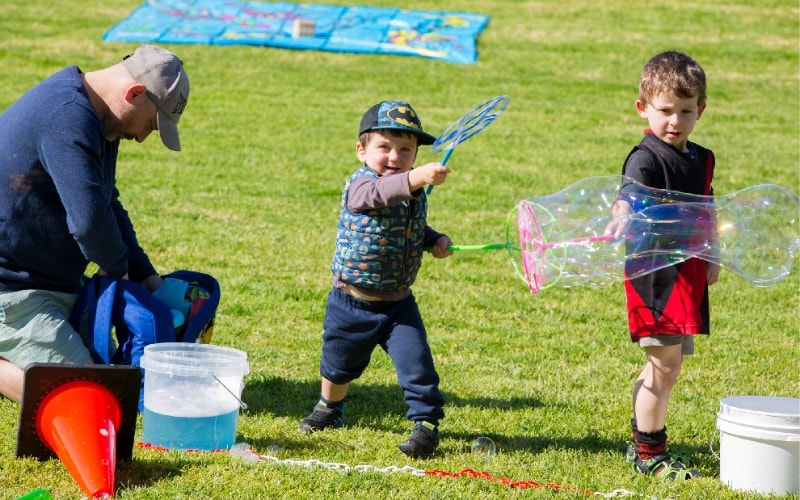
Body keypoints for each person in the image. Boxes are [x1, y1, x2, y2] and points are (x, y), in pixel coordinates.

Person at [0, 45, 190, 402]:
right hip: (12, 292)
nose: (142, 137)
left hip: (55, 285)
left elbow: (106, 204)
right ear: (135, 93)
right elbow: (88, 224)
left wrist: (146, 275)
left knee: (113, 382)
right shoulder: (67, 116)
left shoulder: (101, 118)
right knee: (89, 398)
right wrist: (119, 272)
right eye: (151, 125)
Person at [300, 101, 454, 458]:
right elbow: (376, 197)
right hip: (351, 302)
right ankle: (329, 408)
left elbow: (410, 226)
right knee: (338, 365)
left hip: (399, 305)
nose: (395, 157)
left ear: (416, 155)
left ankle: (426, 427)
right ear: (361, 150)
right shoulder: (361, 185)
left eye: (406, 150)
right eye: (384, 147)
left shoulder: (409, 191)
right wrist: (417, 177)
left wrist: (434, 239)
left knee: (417, 366)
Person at [605, 51, 719, 480]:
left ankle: (642, 438)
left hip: (686, 274)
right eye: (665, 110)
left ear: (700, 110)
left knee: (666, 364)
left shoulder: (702, 158)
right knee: (664, 365)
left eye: (686, 111)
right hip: (654, 278)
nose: (675, 121)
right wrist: (622, 212)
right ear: (643, 108)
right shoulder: (646, 157)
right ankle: (649, 452)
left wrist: (712, 252)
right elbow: (628, 194)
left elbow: (706, 207)